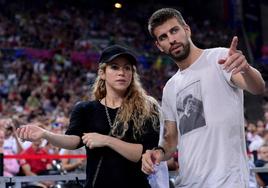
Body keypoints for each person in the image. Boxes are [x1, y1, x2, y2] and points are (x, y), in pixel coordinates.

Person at [141, 8, 265, 188]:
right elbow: (170, 139)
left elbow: (257, 87)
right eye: (163, 37)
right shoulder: (170, 88)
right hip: (188, 183)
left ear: (187, 30)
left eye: (174, 30)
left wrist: (246, 69)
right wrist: (158, 153)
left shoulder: (219, 58)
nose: (171, 39)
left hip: (228, 182)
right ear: (159, 46)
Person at [17, 44, 160, 188]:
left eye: (127, 68)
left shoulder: (146, 109)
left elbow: (144, 153)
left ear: (132, 74)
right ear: (102, 73)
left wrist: (107, 140)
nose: (121, 72)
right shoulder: (85, 109)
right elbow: (73, 141)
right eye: (114, 67)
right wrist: (45, 134)